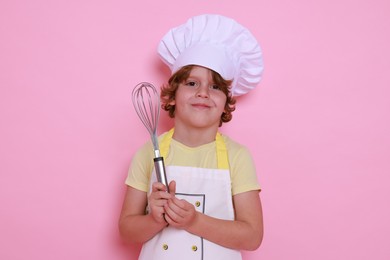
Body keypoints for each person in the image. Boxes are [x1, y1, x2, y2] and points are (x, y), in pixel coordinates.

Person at [119, 14, 264, 260]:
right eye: (192, 83)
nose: (203, 93)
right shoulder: (149, 152)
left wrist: (194, 221)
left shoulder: (237, 156)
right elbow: (126, 230)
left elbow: (252, 236)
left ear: (226, 103)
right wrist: (156, 219)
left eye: (215, 86)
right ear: (173, 95)